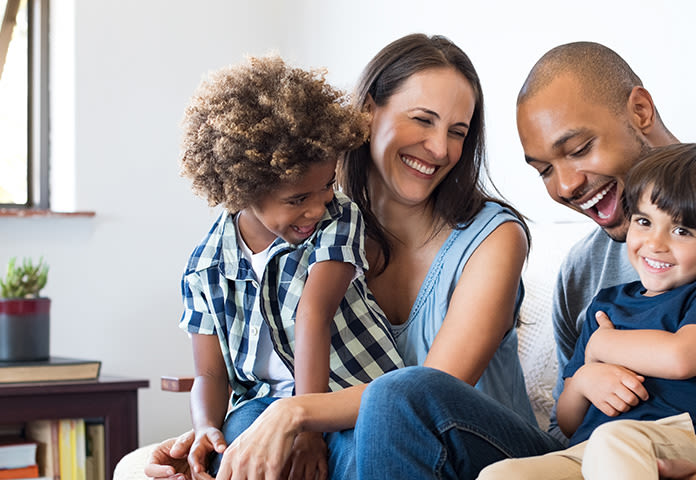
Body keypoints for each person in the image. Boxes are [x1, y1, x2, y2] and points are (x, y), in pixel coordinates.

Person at [354, 41, 696, 480]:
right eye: (543, 170)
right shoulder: (581, 272)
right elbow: (570, 425)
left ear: (640, 111)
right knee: (401, 396)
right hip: (591, 459)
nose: (566, 186)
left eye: (578, 149)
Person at [145, 34, 536, 480]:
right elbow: (246, 367)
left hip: (482, 452)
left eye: (457, 132)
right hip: (377, 445)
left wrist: (294, 414)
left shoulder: (494, 237)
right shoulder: (310, 225)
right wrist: (215, 439)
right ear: (367, 111)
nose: (440, 149)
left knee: (393, 401)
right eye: (422, 120)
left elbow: (426, 396)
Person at [174, 56, 404, 479]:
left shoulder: (338, 219)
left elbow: (313, 314)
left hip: (348, 392)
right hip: (261, 402)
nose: (317, 208)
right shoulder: (205, 268)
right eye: (298, 199)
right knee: (233, 456)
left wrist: (308, 428)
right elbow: (208, 373)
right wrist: (205, 427)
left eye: (326, 185)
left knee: (359, 455)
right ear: (242, 191)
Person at [480, 142, 696, 479]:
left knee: (613, 441)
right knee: (501, 474)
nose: (655, 243)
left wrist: (601, 346)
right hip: (588, 449)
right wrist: (584, 380)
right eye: (644, 221)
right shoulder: (605, 305)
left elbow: (681, 358)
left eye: (681, 231)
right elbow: (567, 423)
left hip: (675, 440)